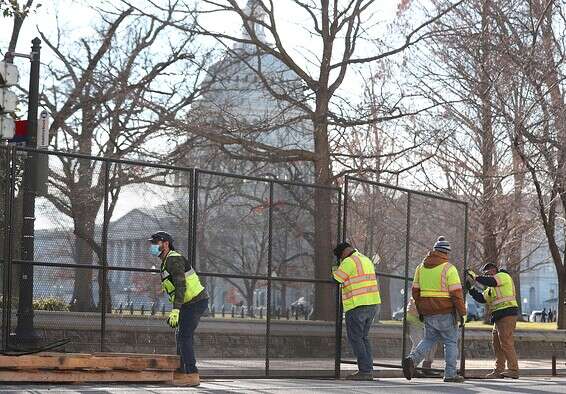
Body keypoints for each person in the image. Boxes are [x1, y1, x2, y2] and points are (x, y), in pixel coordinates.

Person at [402, 236, 466, 383]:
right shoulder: (449, 268)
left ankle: (412, 360)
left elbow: (415, 292)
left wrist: (421, 309)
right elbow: (457, 294)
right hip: (446, 312)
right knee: (450, 342)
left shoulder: (420, 267)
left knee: (428, 339)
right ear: (446, 253)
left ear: (434, 250)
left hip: (428, 312)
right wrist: (462, 313)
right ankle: (450, 374)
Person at [149, 231, 209, 387]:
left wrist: (175, 310)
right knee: (180, 335)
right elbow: (174, 287)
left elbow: (181, 285)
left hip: (195, 302)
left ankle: (191, 373)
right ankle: (181, 371)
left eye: (156, 243)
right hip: (188, 303)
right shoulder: (166, 260)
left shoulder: (173, 259)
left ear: (166, 243)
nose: (153, 246)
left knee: (184, 336)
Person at [332, 242, 381, 381]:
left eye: (339, 257)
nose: (340, 260)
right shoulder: (365, 259)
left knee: (356, 338)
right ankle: (368, 369)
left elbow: (336, 278)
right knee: (364, 337)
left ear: (343, 254)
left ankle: (364, 371)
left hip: (357, 305)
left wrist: (334, 266)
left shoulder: (349, 262)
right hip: (372, 303)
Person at [466, 262, 519, 379]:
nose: (487, 275)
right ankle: (498, 371)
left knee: (506, 342)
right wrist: (471, 289)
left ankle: (513, 370)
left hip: (507, 313)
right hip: (499, 316)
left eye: (488, 272)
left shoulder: (503, 276)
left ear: (493, 270)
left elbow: (490, 281)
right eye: (485, 274)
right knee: (497, 345)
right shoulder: (491, 288)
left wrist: (475, 276)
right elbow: (482, 298)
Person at [406, 296, 438, 377]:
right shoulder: (420, 293)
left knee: (428, 344)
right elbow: (416, 308)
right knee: (418, 345)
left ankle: (425, 367)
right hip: (413, 322)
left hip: (420, 323)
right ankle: (412, 367)